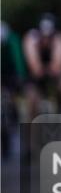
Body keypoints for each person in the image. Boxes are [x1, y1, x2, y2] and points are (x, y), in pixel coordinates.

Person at [22, 13, 61, 117]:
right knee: (32, 101)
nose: (46, 39)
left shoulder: (59, 38)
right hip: (34, 74)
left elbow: (59, 62)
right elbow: (33, 62)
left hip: (52, 72)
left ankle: (59, 110)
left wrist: (54, 69)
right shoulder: (31, 38)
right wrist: (37, 68)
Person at [1, 21, 27, 159]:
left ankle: (13, 114)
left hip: (10, 72)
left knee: (11, 99)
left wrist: (21, 75)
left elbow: (18, 59)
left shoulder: (13, 40)